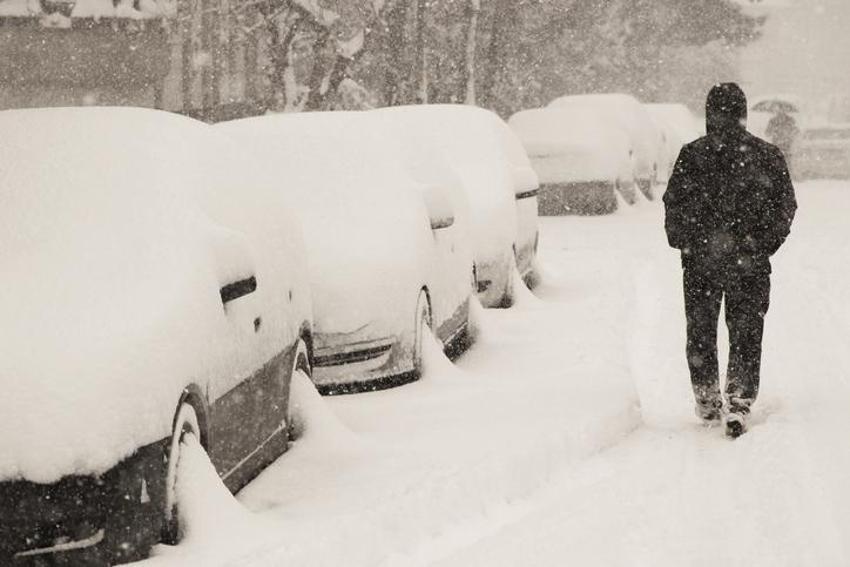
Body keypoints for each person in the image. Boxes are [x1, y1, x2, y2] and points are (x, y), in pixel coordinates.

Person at [663, 83, 797, 438]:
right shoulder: (766, 155)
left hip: (701, 262)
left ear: (709, 114)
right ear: (744, 114)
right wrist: (763, 244)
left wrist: (686, 242)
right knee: (746, 332)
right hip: (748, 262)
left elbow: (673, 203)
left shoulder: (693, 155)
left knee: (701, 331)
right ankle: (739, 399)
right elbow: (785, 206)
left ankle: (707, 398)